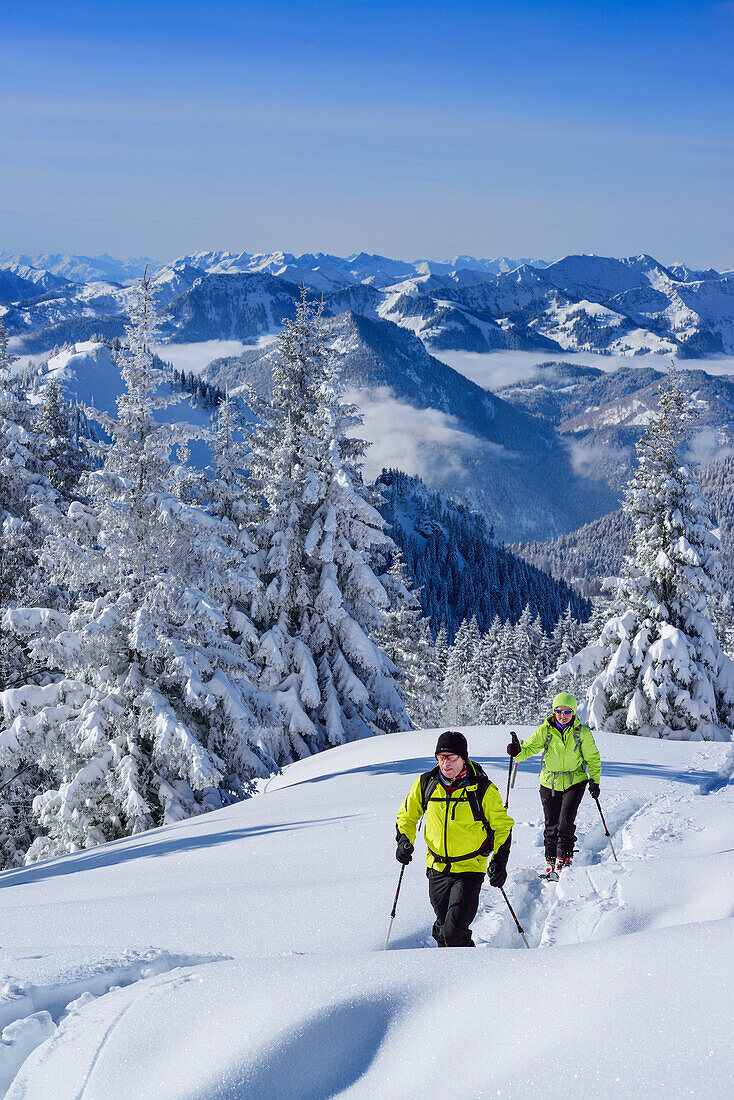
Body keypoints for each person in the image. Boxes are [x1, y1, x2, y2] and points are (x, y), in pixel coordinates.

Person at [396, 730, 513, 947]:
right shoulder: (426, 784)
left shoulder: (482, 789)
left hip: (469, 869)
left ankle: (471, 976)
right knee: (443, 929)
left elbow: (503, 827)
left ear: (463, 758)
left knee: (454, 932)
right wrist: (404, 840)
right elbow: (407, 815)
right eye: (441, 758)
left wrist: (499, 861)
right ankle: (449, 975)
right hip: (437, 869)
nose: (445, 763)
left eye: (451, 758)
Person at [507, 692, 601, 877]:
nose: (563, 715)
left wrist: (594, 781)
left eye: (567, 711)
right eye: (559, 711)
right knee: (551, 825)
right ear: (554, 711)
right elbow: (528, 750)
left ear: (573, 713)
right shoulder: (545, 730)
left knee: (565, 823)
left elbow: (593, 759)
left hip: (575, 782)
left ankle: (564, 859)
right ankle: (550, 861)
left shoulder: (582, 733)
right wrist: (516, 751)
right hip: (549, 783)